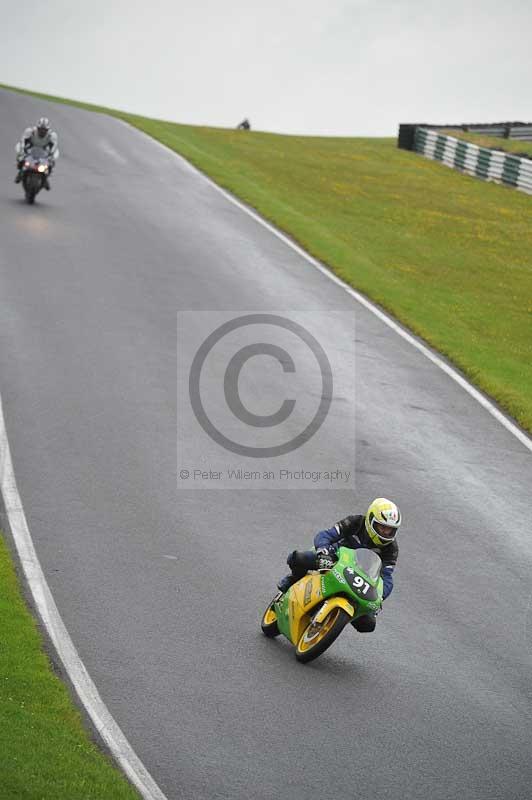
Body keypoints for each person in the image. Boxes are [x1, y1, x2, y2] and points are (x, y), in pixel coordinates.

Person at [277, 498, 401, 632]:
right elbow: (326, 535)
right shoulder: (355, 522)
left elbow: (386, 577)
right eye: (382, 527)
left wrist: (380, 596)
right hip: (333, 559)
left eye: (390, 530)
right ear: (370, 520)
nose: (385, 533)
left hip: (360, 579)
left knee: (368, 625)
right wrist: (323, 550)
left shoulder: (391, 548)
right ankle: (293, 578)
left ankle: (335, 620)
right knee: (297, 558)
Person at [15, 117, 59, 189]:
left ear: (47, 130)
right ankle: (20, 172)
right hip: (31, 148)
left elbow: (54, 146)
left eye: (44, 130)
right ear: (37, 128)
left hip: (43, 151)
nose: (42, 131)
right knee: (21, 157)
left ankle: (45, 178)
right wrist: (23, 150)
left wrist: (51, 155)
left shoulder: (52, 135)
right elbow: (23, 140)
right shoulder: (30, 131)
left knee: (51, 162)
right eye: (41, 129)